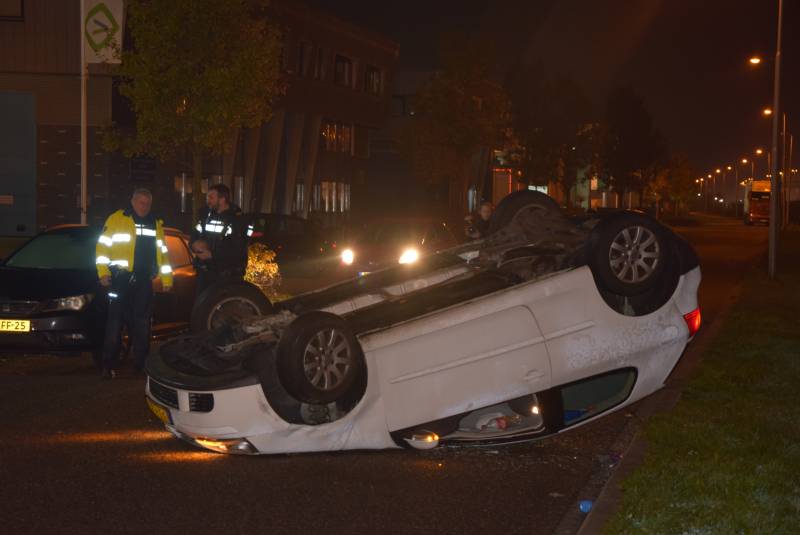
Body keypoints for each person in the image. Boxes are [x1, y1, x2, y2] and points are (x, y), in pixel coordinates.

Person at [95, 188, 173, 379]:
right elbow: (102, 248)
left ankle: (141, 366)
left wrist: (167, 278)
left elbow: (162, 253)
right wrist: (103, 272)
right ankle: (108, 366)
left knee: (142, 324)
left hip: (143, 281)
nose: (144, 207)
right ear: (132, 201)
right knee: (114, 323)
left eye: (147, 203)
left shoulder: (155, 223)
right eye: (141, 202)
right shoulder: (117, 219)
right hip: (119, 279)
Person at [190, 183, 249, 296]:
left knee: (223, 304)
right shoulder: (206, 217)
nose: (208, 200)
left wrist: (212, 255)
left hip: (227, 276)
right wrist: (194, 245)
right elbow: (194, 236)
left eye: (211, 197)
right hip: (205, 273)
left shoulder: (237, 221)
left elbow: (237, 250)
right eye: (207, 197)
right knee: (202, 304)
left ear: (222, 199)